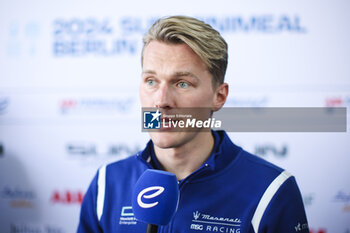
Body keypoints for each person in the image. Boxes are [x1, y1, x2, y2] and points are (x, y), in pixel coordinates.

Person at [77, 16, 309, 233]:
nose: (161, 101)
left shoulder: (271, 189)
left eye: (182, 84)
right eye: (151, 81)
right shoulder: (107, 183)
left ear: (219, 96)